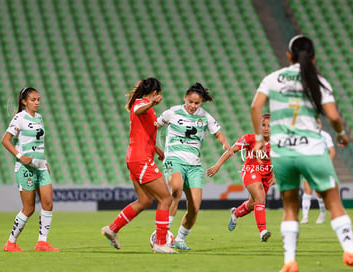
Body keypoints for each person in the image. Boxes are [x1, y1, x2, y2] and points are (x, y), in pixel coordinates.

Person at [250, 34, 353, 272]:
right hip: (311, 149)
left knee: (290, 206)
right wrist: (341, 135)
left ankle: (289, 261)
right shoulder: (318, 80)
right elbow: (334, 118)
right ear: (313, 56)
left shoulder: (273, 78)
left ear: (289, 56)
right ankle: (350, 250)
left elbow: (256, 107)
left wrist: (257, 138)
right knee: (333, 201)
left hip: (282, 152)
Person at [101, 78, 177, 254]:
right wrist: (151, 102)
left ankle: (112, 229)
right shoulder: (141, 103)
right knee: (166, 199)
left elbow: (142, 132)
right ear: (155, 92)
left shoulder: (146, 108)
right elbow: (137, 109)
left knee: (144, 200)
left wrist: (157, 149)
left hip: (136, 157)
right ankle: (160, 243)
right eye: (158, 93)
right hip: (141, 159)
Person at [157, 82, 233, 250]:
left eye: (196, 103)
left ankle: (180, 239)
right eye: (190, 101)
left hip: (194, 165)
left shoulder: (204, 117)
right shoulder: (172, 112)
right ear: (185, 98)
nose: (192, 105)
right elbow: (154, 126)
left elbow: (218, 133)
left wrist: (224, 143)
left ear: (201, 103)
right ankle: (163, 235)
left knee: (195, 208)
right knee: (175, 190)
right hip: (174, 159)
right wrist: (154, 147)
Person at [2, 87, 59, 252]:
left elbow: (39, 143)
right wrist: (19, 156)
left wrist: (44, 161)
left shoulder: (39, 118)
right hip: (25, 168)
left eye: (38, 99)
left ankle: (42, 243)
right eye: (33, 100)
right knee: (29, 208)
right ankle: (10, 243)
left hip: (40, 166)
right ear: (24, 102)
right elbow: (5, 140)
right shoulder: (19, 118)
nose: (37, 103)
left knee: (48, 203)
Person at [206, 114, 274, 242]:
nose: (265, 128)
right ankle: (263, 231)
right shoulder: (249, 138)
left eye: (269, 126)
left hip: (266, 174)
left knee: (253, 203)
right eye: (263, 125)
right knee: (260, 196)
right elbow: (231, 150)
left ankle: (236, 213)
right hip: (250, 171)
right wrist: (217, 165)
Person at [301, 119, 335, 224]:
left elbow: (332, 151)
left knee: (319, 193)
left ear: (321, 124)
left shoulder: (325, 136)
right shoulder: (306, 135)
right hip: (308, 166)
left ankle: (322, 213)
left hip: (320, 166)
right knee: (307, 190)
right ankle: (305, 217)